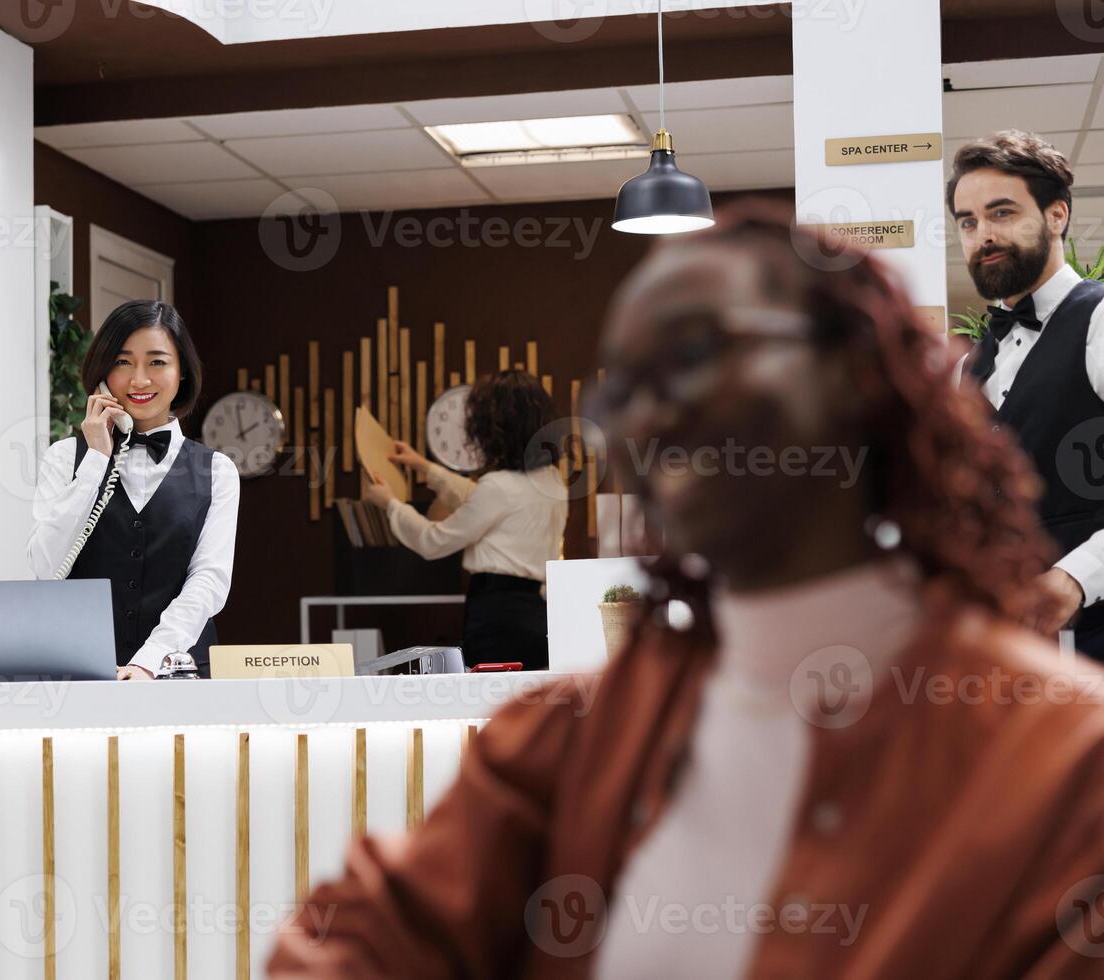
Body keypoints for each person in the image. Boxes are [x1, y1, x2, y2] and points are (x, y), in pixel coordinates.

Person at [268, 205, 1104, 977]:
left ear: (854, 371)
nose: (651, 411)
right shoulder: (570, 742)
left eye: (697, 352)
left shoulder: (1063, 761)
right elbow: (363, 945)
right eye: (624, 386)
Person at [950, 130, 1104, 659]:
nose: (982, 235)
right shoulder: (966, 370)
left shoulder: (1099, 320)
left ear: (1056, 215)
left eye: (1001, 213)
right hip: (1007, 657)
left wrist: (1076, 578)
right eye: (967, 222)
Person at [26, 300, 239, 679]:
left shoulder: (217, 471)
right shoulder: (63, 459)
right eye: (123, 362)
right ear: (103, 373)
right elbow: (46, 568)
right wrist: (94, 462)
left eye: (157, 362)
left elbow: (209, 580)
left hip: (180, 673)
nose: (139, 380)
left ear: (182, 373)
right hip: (80, 674)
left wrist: (151, 658)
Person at [362, 370, 569, 670]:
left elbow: (433, 541)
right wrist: (424, 467)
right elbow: (482, 500)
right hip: (535, 615)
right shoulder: (552, 483)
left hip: (495, 617)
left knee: (487, 708)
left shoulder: (498, 487)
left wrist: (390, 504)